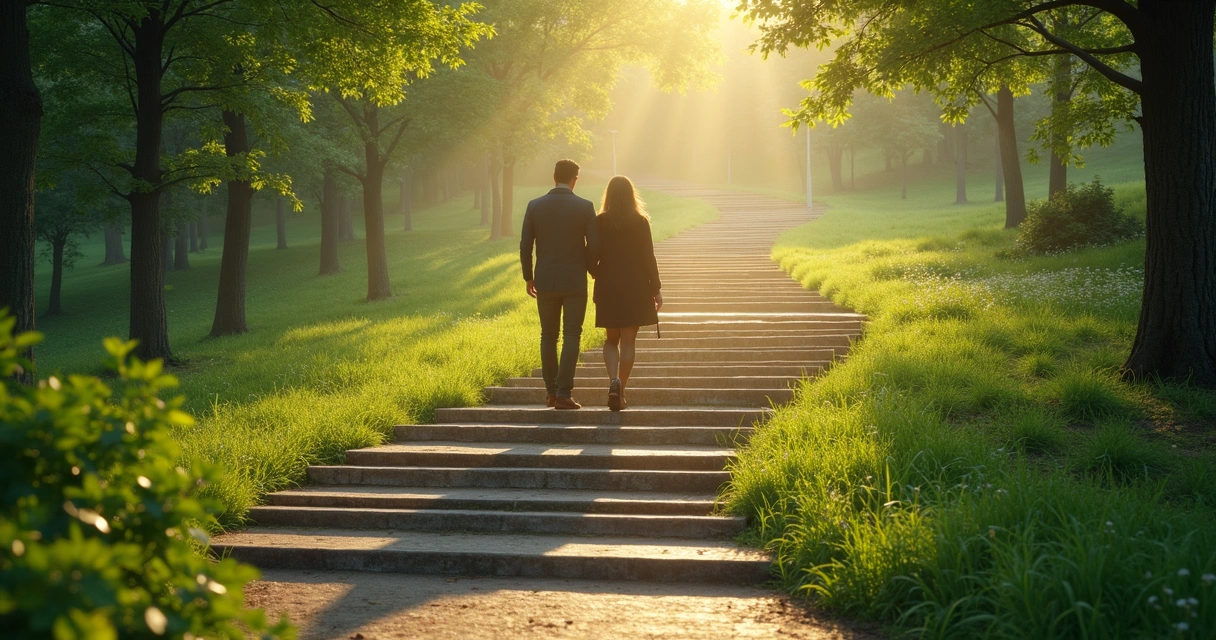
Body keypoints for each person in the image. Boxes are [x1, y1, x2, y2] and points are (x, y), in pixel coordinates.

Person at [520, 159, 600, 410]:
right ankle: (564, 393)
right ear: (576, 178)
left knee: (548, 335)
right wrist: (590, 269)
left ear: (553, 176)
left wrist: (528, 276)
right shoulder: (585, 207)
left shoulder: (535, 206)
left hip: (545, 279)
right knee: (572, 335)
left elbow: (525, 245)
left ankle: (551, 393)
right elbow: (594, 245)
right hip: (575, 280)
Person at [593, 176, 662, 411]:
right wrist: (656, 289)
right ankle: (621, 390)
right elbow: (648, 257)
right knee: (629, 340)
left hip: (608, 286)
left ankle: (613, 380)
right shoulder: (641, 222)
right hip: (636, 287)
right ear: (632, 195)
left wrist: (597, 273)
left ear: (608, 195)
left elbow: (590, 253)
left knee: (611, 339)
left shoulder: (599, 222)